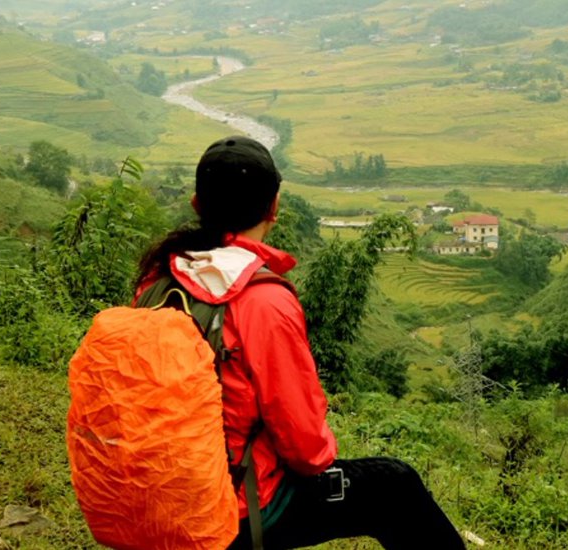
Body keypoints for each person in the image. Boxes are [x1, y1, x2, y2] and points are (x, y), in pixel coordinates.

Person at [134, 136, 465, 550]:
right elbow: (307, 450)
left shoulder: (159, 279)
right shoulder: (262, 299)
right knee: (394, 486)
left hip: (152, 490)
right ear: (273, 207)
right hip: (228, 509)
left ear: (197, 204)